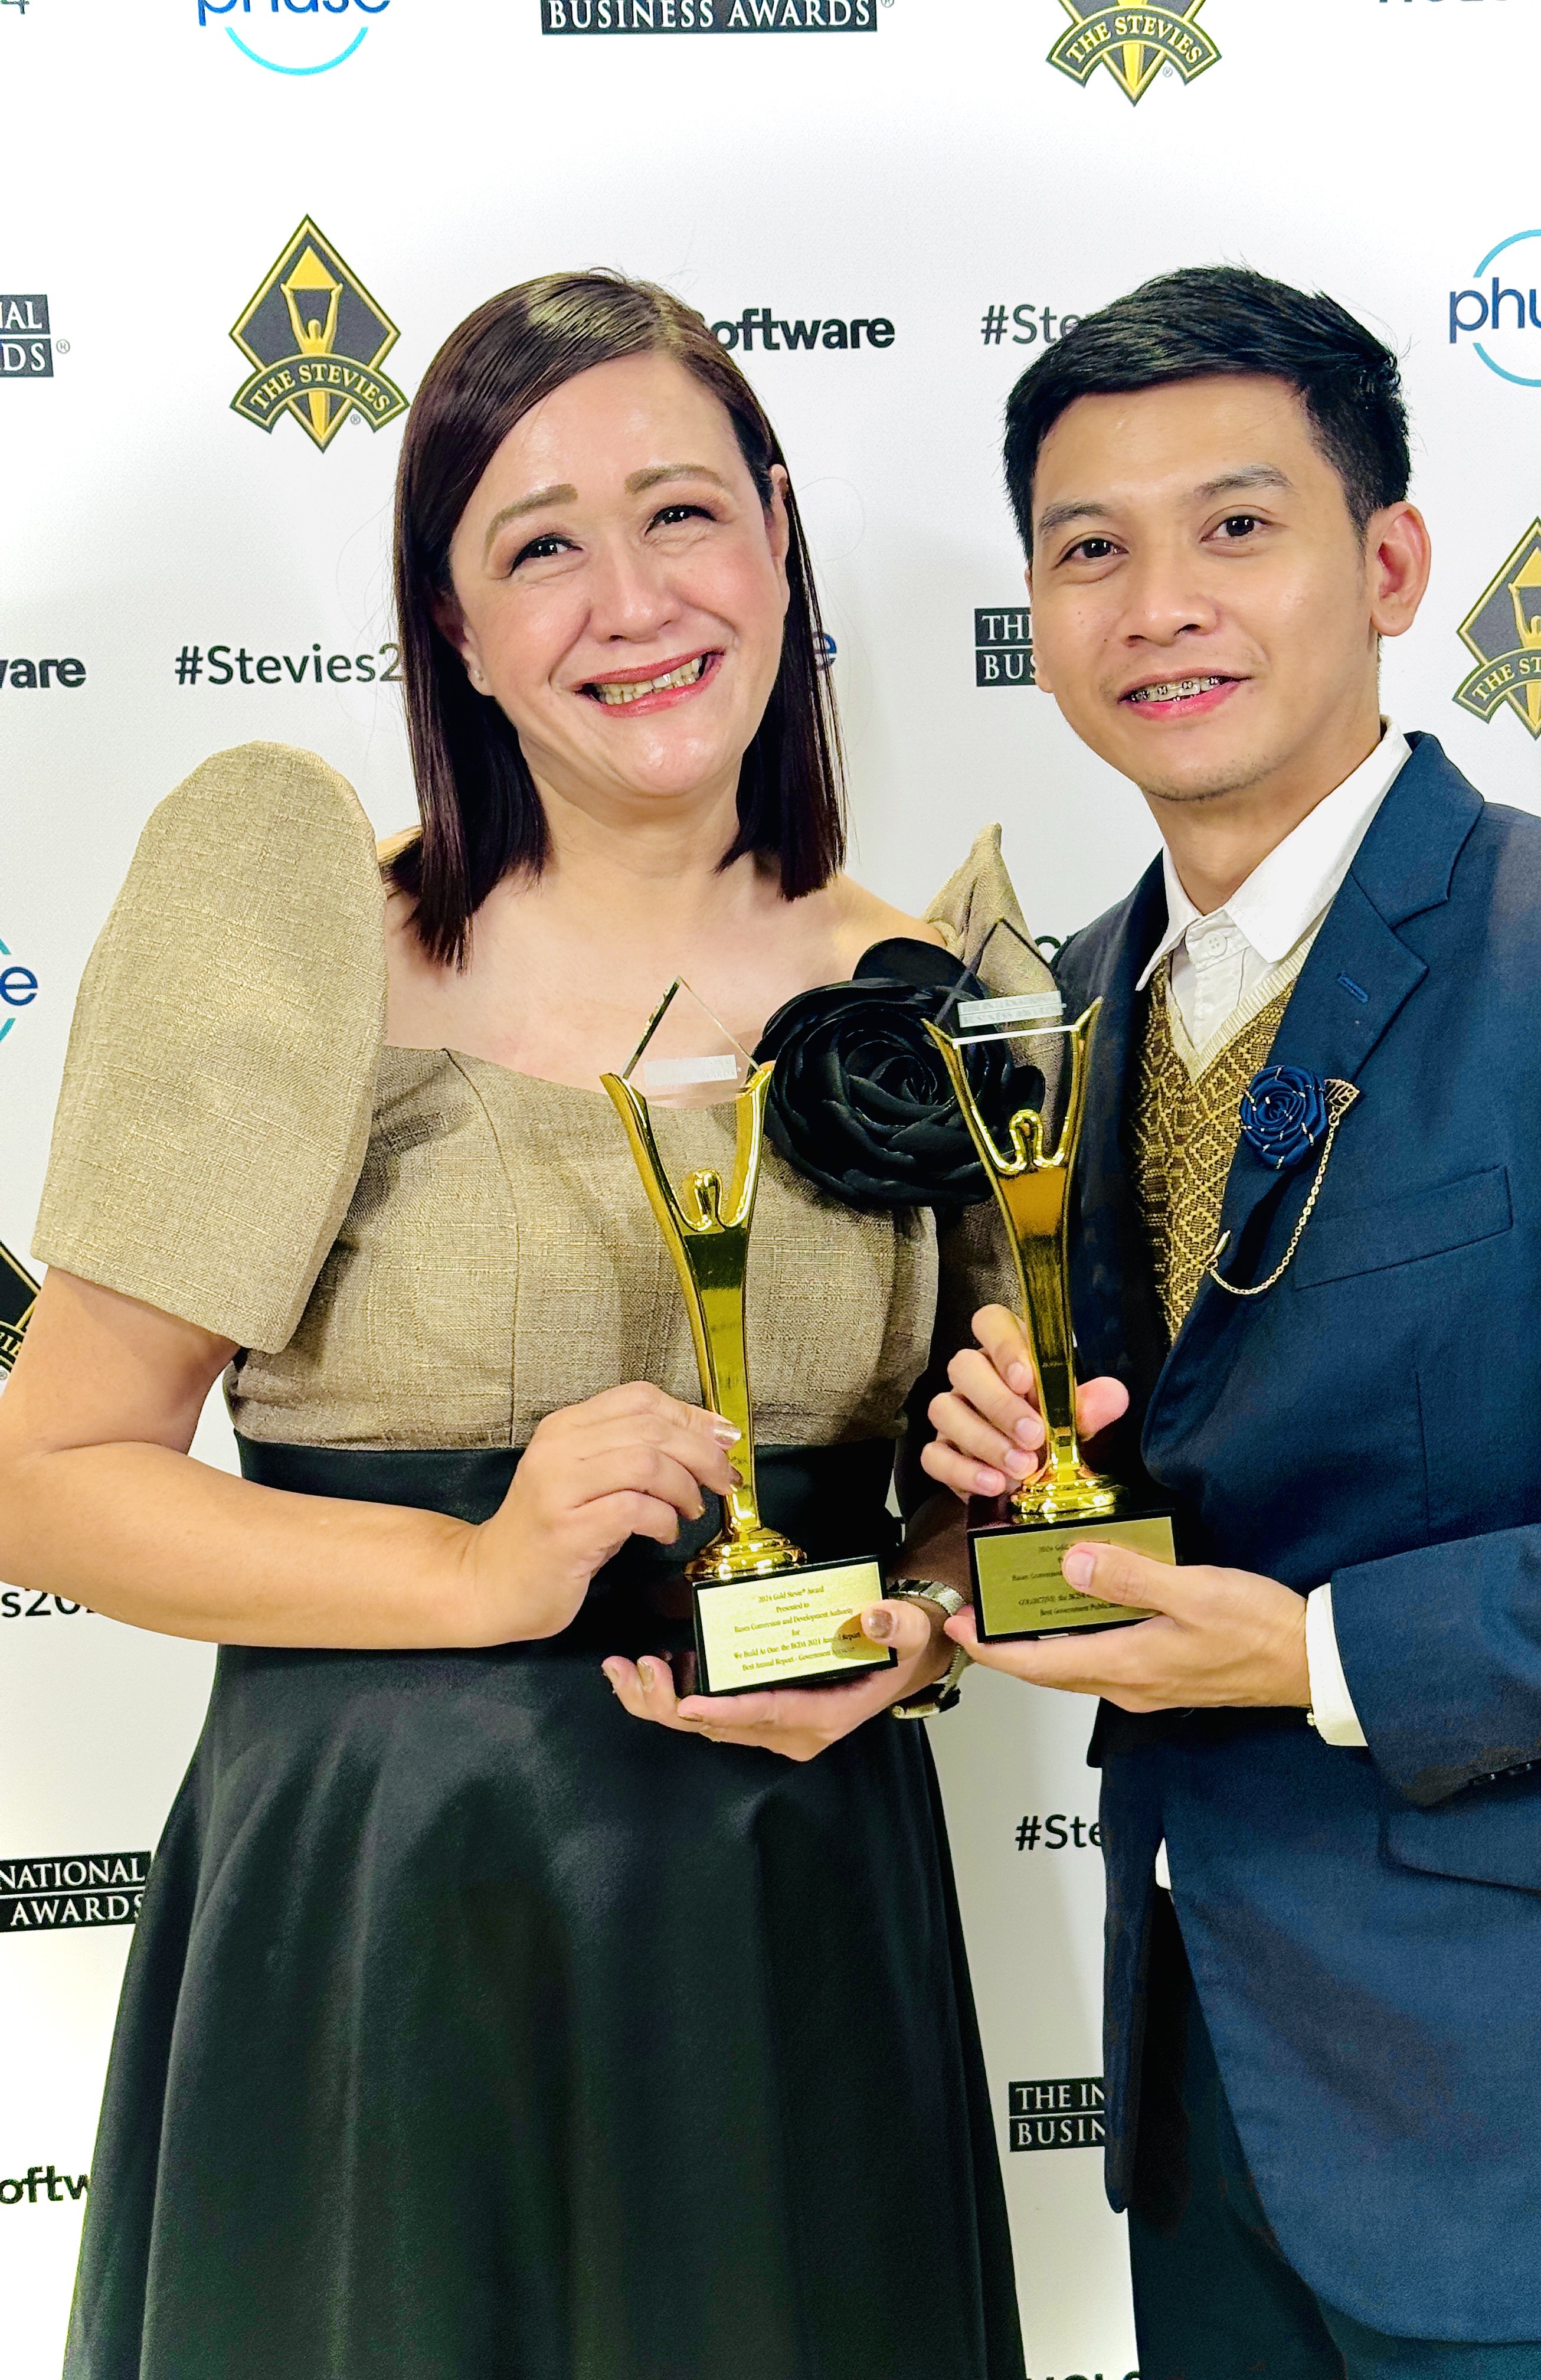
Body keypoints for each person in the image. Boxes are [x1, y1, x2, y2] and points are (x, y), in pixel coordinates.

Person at [0, 270, 1032, 2380]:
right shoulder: (310, 935)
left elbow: (982, 1501)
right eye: (540, 544)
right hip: (390, 1919)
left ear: (776, 534)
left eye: (682, 513)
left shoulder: (946, 985)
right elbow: (50, 1476)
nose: (633, 600)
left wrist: (925, 1619)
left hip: (794, 1915)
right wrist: (475, 1574)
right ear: (452, 627)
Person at [922, 264, 1541, 2378]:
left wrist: (1313, 1655)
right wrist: (995, 1505)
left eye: (1237, 527)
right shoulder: (1059, 1009)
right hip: (1204, 2107)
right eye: (1091, 551)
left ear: (1390, 566)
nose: (1161, 608)